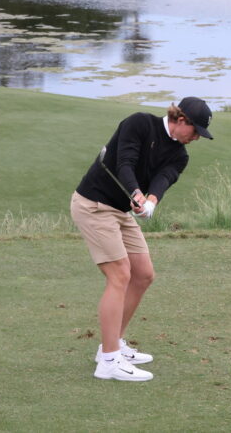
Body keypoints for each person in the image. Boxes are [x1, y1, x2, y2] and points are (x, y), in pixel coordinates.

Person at [70, 97, 214, 382]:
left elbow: (164, 178)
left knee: (144, 274)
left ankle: (111, 345)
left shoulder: (180, 155)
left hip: (121, 212)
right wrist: (136, 193)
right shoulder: (139, 123)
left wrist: (150, 202)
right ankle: (109, 362)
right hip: (94, 204)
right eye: (195, 130)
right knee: (120, 275)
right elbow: (125, 163)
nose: (196, 137)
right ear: (180, 119)